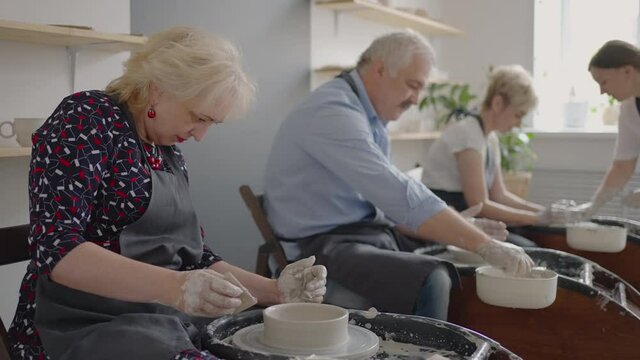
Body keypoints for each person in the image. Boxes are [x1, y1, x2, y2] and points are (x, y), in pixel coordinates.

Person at [8, 27, 327, 360]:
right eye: (198, 117)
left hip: (156, 317)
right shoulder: (87, 118)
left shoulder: (167, 149)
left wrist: (277, 292)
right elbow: (57, 250)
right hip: (83, 323)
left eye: (211, 124)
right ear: (158, 90)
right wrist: (175, 288)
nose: (201, 135)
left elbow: (195, 257)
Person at [263, 31, 534, 321]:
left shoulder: (371, 117)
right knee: (433, 276)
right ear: (380, 69)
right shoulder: (333, 112)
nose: (416, 100)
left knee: (461, 261)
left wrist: (460, 228)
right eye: (412, 85)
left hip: (364, 235)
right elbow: (397, 193)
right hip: (319, 246)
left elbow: (392, 210)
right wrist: (482, 243)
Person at [421, 65, 548, 247]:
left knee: (532, 235)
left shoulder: (490, 138)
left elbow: (500, 195)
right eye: (517, 115)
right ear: (497, 103)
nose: (518, 123)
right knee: (529, 247)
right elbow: (479, 203)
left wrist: (542, 212)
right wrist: (536, 218)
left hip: (468, 216)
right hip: (450, 219)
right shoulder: (467, 134)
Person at [558, 40, 640, 222]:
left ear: (627, 71)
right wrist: (592, 206)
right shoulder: (629, 109)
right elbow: (622, 166)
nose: (602, 91)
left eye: (604, 82)